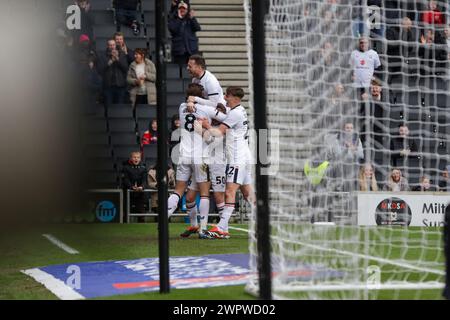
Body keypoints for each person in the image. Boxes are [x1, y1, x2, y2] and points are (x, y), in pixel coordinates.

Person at [166, 84, 228, 237]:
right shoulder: (205, 109)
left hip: (183, 155)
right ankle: (203, 229)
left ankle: (164, 217)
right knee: (205, 193)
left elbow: (190, 106)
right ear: (200, 95)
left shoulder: (181, 108)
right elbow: (226, 118)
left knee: (178, 191)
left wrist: (191, 102)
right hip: (200, 156)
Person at [197, 87, 252, 239]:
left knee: (229, 192)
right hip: (245, 156)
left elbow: (219, 132)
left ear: (234, 97)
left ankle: (221, 227)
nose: (225, 98)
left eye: (227, 96)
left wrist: (207, 126)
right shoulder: (239, 110)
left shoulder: (234, 113)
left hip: (237, 158)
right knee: (248, 193)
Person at [96, 39, 129, 106]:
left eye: (113, 45)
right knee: (109, 108)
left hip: (120, 86)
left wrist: (117, 60)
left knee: (120, 108)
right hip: (108, 87)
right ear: (107, 46)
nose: (112, 46)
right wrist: (110, 62)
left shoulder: (121, 54)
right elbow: (100, 70)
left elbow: (126, 69)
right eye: (110, 45)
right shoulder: (102, 56)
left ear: (115, 45)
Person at [168, 1, 201, 65]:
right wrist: (179, 19)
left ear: (187, 10)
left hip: (191, 50)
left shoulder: (190, 19)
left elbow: (197, 28)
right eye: (180, 8)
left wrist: (192, 18)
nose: (182, 10)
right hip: (179, 51)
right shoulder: (174, 19)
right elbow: (173, 29)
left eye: (184, 9)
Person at [121, 151, 149, 216]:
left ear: (140, 159)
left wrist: (142, 187)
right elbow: (125, 179)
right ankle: (126, 223)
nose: (136, 159)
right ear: (131, 158)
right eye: (134, 157)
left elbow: (145, 180)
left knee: (141, 211)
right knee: (126, 211)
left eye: (138, 157)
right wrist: (131, 187)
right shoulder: (125, 168)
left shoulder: (143, 168)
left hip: (140, 193)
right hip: (128, 193)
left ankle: (141, 222)